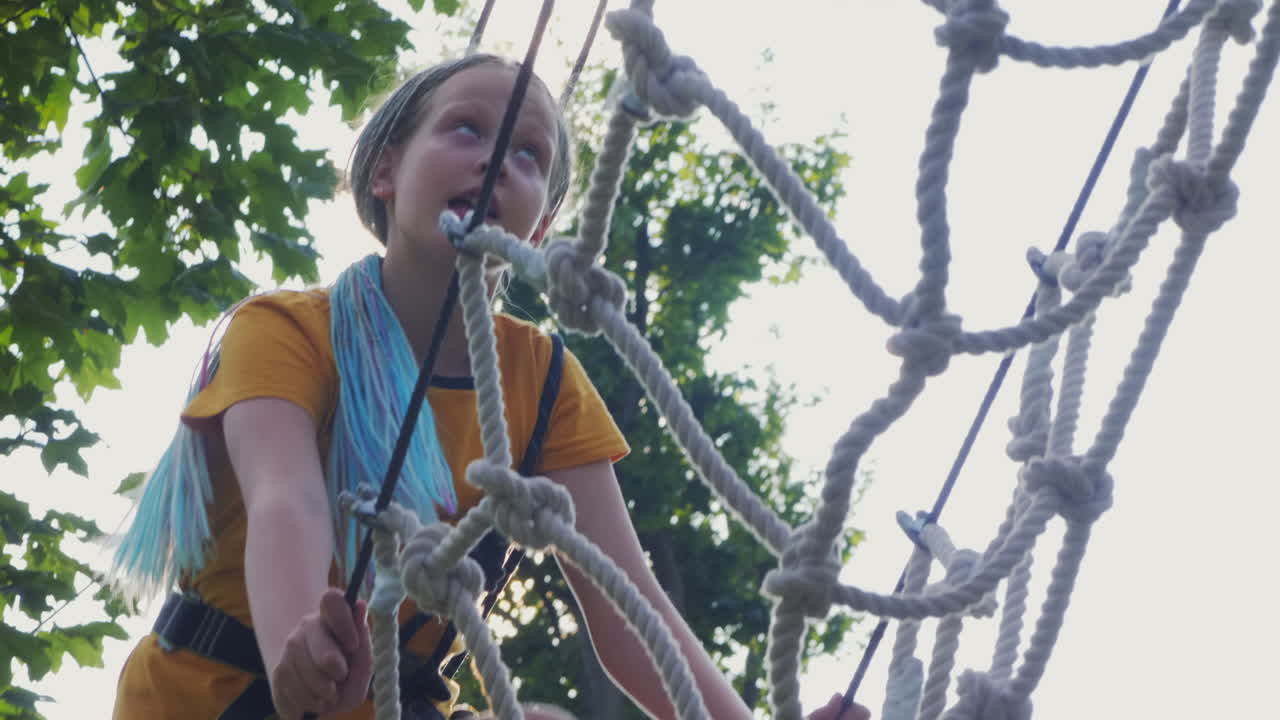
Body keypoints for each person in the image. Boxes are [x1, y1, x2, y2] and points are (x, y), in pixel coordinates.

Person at [110, 53, 871, 720]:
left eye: (530, 156)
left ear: (537, 229)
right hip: (207, 699)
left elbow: (626, 602)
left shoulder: (541, 382)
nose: (497, 161)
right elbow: (289, 498)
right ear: (385, 173)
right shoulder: (284, 329)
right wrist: (293, 644)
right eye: (466, 130)